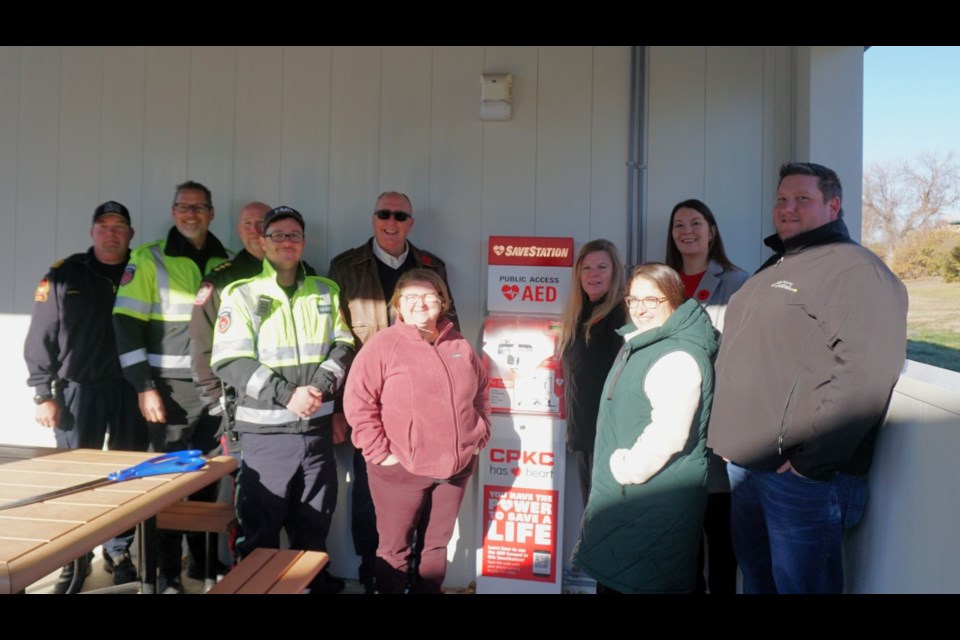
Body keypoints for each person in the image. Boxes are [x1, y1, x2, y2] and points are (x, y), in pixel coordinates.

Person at [707, 162, 908, 594]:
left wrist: (807, 465)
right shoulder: (779, 266)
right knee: (758, 580)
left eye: (802, 199)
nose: (787, 208)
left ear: (833, 205)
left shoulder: (854, 270)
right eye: (781, 199)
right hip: (749, 466)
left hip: (799, 477)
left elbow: (866, 374)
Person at [211, 206, 355, 594]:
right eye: (278, 235)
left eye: (294, 235)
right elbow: (228, 360)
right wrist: (288, 395)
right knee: (261, 530)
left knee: (314, 525)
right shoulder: (240, 294)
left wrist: (321, 386)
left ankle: (311, 586)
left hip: (316, 431)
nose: (287, 241)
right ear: (263, 242)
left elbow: (344, 343)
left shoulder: (326, 289)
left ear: (304, 242)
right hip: (265, 436)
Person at [327, 191, 457, 594]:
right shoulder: (345, 267)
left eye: (400, 215)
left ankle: (416, 575)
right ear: (373, 218)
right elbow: (333, 339)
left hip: (421, 406)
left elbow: (449, 338)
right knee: (369, 497)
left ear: (411, 223)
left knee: (424, 497)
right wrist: (336, 407)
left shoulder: (432, 267)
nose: (391, 221)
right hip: (366, 404)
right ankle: (373, 573)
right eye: (384, 214)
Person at [112, 180, 232, 593]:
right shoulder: (149, 259)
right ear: (173, 211)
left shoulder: (226, 261)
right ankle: (164, 574)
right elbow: (125, 326)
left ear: (211, 212)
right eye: (183, 207)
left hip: (213, 390)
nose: (191, 214)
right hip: (169, 392)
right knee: (166, 485)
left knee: (207, 480)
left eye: (199, 207)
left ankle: (201, 566)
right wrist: (144, 386)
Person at [24, 200, 147, 592]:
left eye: (119, 227)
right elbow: (40, 337)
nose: (111, 233)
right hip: (79, 390)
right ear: (92, 232)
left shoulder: (142, 270)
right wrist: (43, 392)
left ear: (131, 235)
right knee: (75, 479)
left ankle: (119, 552)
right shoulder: (65, 274)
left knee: (128, 477)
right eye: (103, 226)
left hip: (131, 391)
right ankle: (72, 559)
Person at [572, 263, 717, 594]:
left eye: (652, 299)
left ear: (674, 300)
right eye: (633, 299)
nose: (640, 308)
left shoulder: (676, 354)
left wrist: (626, 470)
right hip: (633, 501)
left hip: (647, 497)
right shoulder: (644, 342)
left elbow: (670, 433)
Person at [344, 269, 489, 594]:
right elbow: (358, 401)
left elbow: (482, 389)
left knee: (436, 548)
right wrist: (382, 453)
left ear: (442, 301)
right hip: (400, 472)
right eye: (410, 297)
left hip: (454, 469)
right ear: (398, 304)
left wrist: (479, 434)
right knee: (394, 552)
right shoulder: (384, 345)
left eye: (428, 296)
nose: (420, 303)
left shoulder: (459, 343)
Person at [665, 198, 748, 595]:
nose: (687, 231)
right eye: (679, 225)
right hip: (670, 428)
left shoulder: (737, 283)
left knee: (721, 541)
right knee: (680, 548)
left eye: (695, 223)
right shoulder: (661, 284)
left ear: (712, 231)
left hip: (717, 427)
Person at [557, 239, 627, 507]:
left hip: (610, 439)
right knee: (591, 515)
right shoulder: (578, 314)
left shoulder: (622, 316)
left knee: (604, 519)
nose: (593, 274)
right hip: (585, 435)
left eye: (601, 267)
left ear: (615, 272)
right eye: (586, 268)